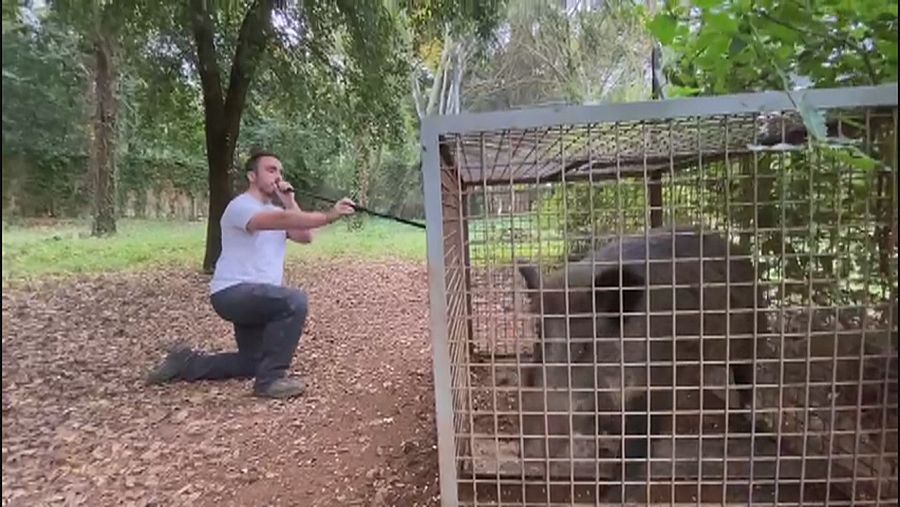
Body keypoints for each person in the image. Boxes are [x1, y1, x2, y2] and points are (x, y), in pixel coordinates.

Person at [145, 151, 356, 399]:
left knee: (252, 363)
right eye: (271, 170)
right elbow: (278, 220)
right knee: (294, 301)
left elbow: (304, 236)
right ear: (252, 176)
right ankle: (270, 381)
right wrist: (329, 216)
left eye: (280, 171)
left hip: (258, 297)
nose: (278, 177)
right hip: (233, 292)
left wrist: (289, 201)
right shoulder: (241, 207)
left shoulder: (276, 211)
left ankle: (186, 363)